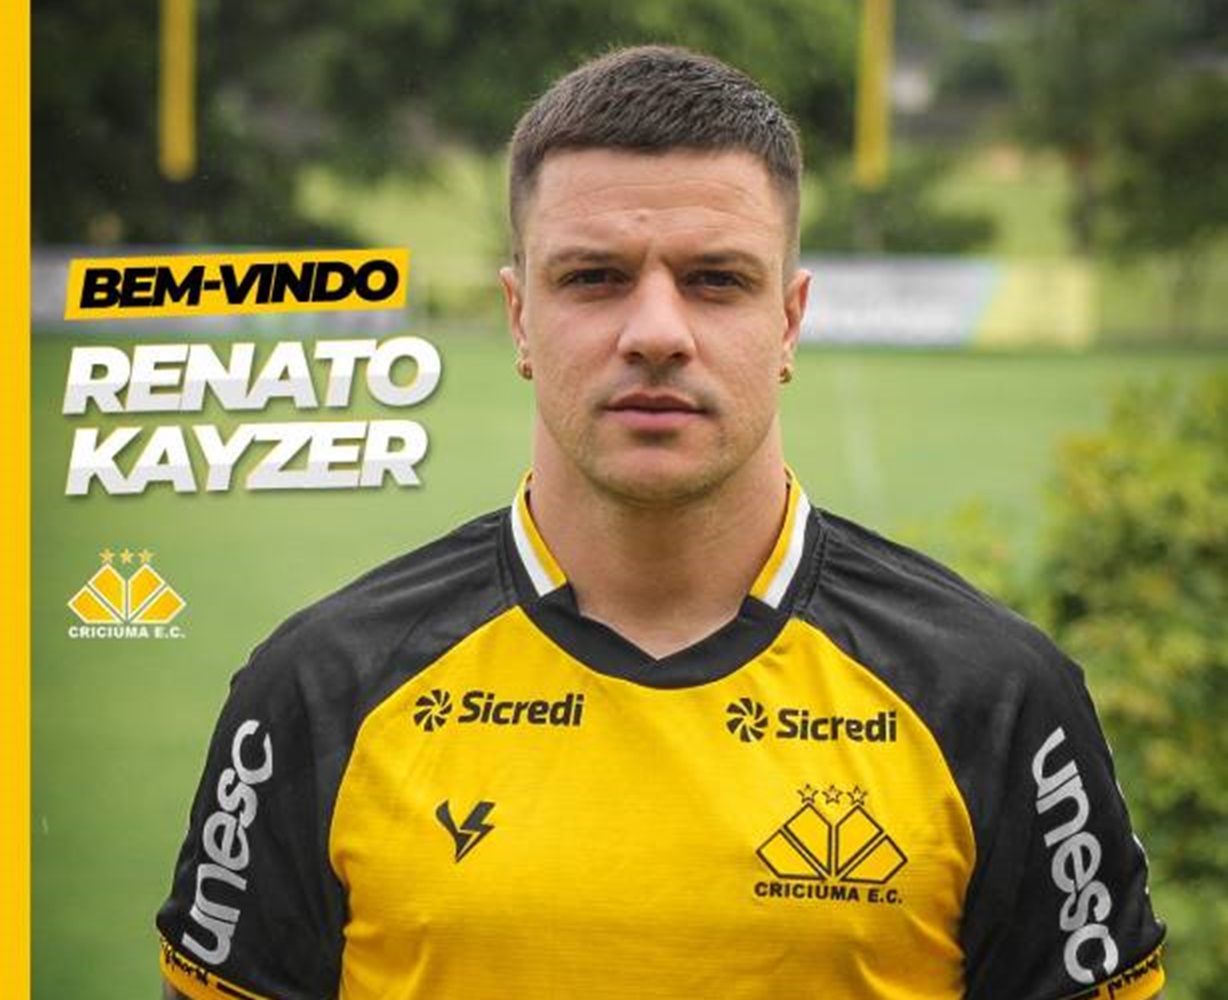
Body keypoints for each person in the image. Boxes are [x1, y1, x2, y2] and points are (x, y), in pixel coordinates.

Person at [156, 45, 1166, 1000]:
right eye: (592, 278)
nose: (654, 333)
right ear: (518, 315)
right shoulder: (320, 689)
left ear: (789, 321)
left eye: (716, 280)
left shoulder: (992, 694)